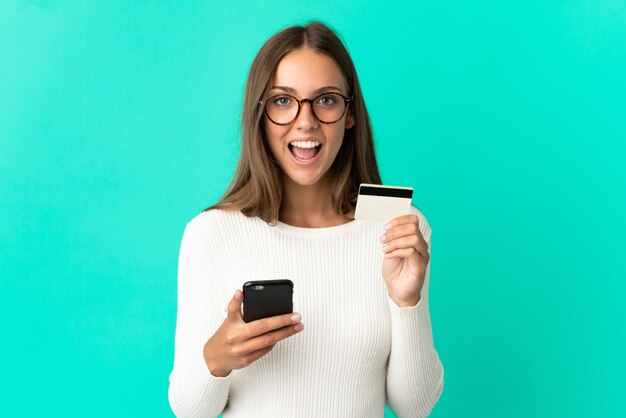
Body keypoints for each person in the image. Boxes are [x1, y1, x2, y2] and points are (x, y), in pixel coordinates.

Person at [168, 21, 444, 418]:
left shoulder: (397, 225)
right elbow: (189, 411)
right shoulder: (211, 234)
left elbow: (414, 406)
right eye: (283, 101)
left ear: (350, 114)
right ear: (259, 115)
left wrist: (407, 301)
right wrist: (217, 358)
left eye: (326, 100)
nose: (306, 121)